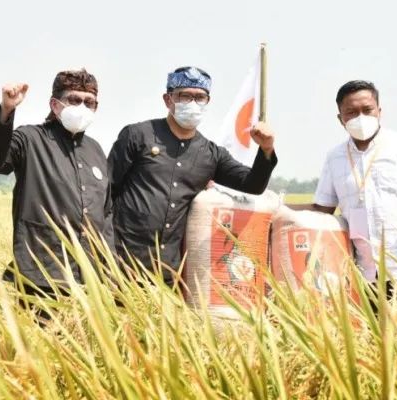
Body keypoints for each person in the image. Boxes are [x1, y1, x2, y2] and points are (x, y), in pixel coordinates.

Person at [108, 66, 278, 288]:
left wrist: (266, 149)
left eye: (200, 97)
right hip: (121, 261)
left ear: (208, 101)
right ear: (168, 100)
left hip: (168, 269)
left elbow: (252, 184)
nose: (193, 103)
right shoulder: (138, 135)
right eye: (184, 96)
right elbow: (107, 189)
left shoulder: (211, 154)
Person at [290, 80, 397, 304]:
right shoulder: (335, 157)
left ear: (379, 111)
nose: (360, 118)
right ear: (340, 118)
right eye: (351, 112)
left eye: (367, 110)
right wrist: (274, 207)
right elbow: (322, 208)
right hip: (366, 275)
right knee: (375, 338)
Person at [0, 68, 114, 320]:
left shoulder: (95, 150)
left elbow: (107, 214)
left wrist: (110, 271)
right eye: (74, 100)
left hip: (89, 279)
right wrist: (7, 111)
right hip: (42, 275)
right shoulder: (30, 139)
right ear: (55, 104)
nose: (82, 106)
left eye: (89, 102)